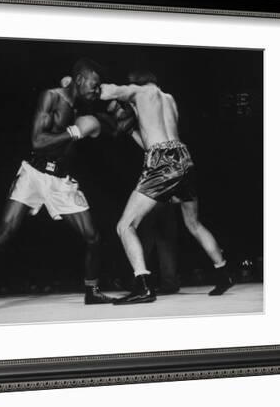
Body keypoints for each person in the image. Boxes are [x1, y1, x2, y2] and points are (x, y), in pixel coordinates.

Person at [0, 59, 115, 319]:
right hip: (34, 174)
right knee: (5, 231)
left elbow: (108, 114)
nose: (97, 89)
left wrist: (107, 109)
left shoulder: (82, 101)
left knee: (93, 237)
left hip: (60, 181)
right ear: (80, 79)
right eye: (93, 84)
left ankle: (91, 292)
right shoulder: (50, 97)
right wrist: (74, 132)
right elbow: (38, 141)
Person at [99, 70, 234, 304]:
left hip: (162, 162)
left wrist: (73, 82)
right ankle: (223, 273)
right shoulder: (169, 99)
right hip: (184, 158)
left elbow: (104, 91)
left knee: (125, 225)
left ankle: (143, 286)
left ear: (135, 82)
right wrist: (131, 129)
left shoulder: (138, 91)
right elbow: (155, 139)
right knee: (193, 223)